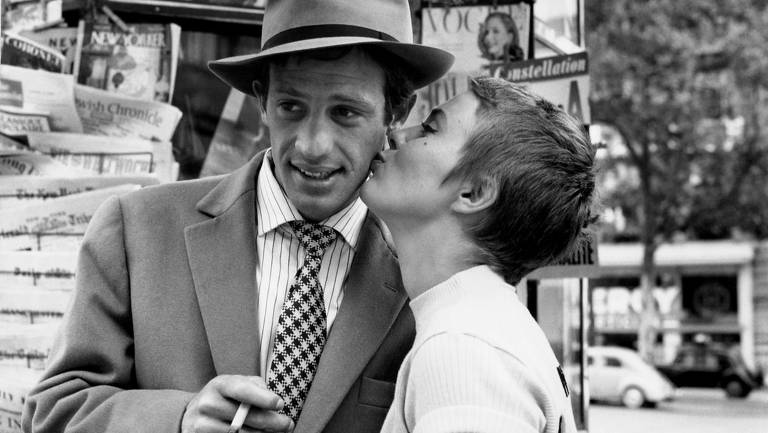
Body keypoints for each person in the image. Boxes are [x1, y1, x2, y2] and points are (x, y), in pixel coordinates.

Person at [21, 1, 453, 432]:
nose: (312, 146)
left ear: (396, 113)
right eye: (291, 107)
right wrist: (178, 419)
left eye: (345, 113)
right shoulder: (135, 229)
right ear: (262, 101)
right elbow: (53, 412)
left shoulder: (433, 278)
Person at [360, 77, 595, 432]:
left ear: (473, 192)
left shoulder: (463, 349)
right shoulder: (483, 329)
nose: (398, 133)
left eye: (430, 127)